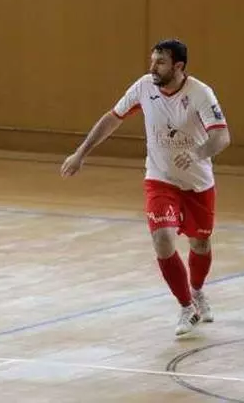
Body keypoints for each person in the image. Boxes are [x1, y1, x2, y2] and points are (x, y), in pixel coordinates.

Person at [61, 39, 230, 336]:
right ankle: (186, 306)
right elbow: (112, 119)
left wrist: (197, 153)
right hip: (160, 178)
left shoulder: (200, 93)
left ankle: (197, 290)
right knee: (162, 238)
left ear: (178, 66)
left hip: (197, 182)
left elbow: (222, 137)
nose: (153, 67)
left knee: (200, 244)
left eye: (160, 62)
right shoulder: (143, 87)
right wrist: (80, 153)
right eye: (152, 61)